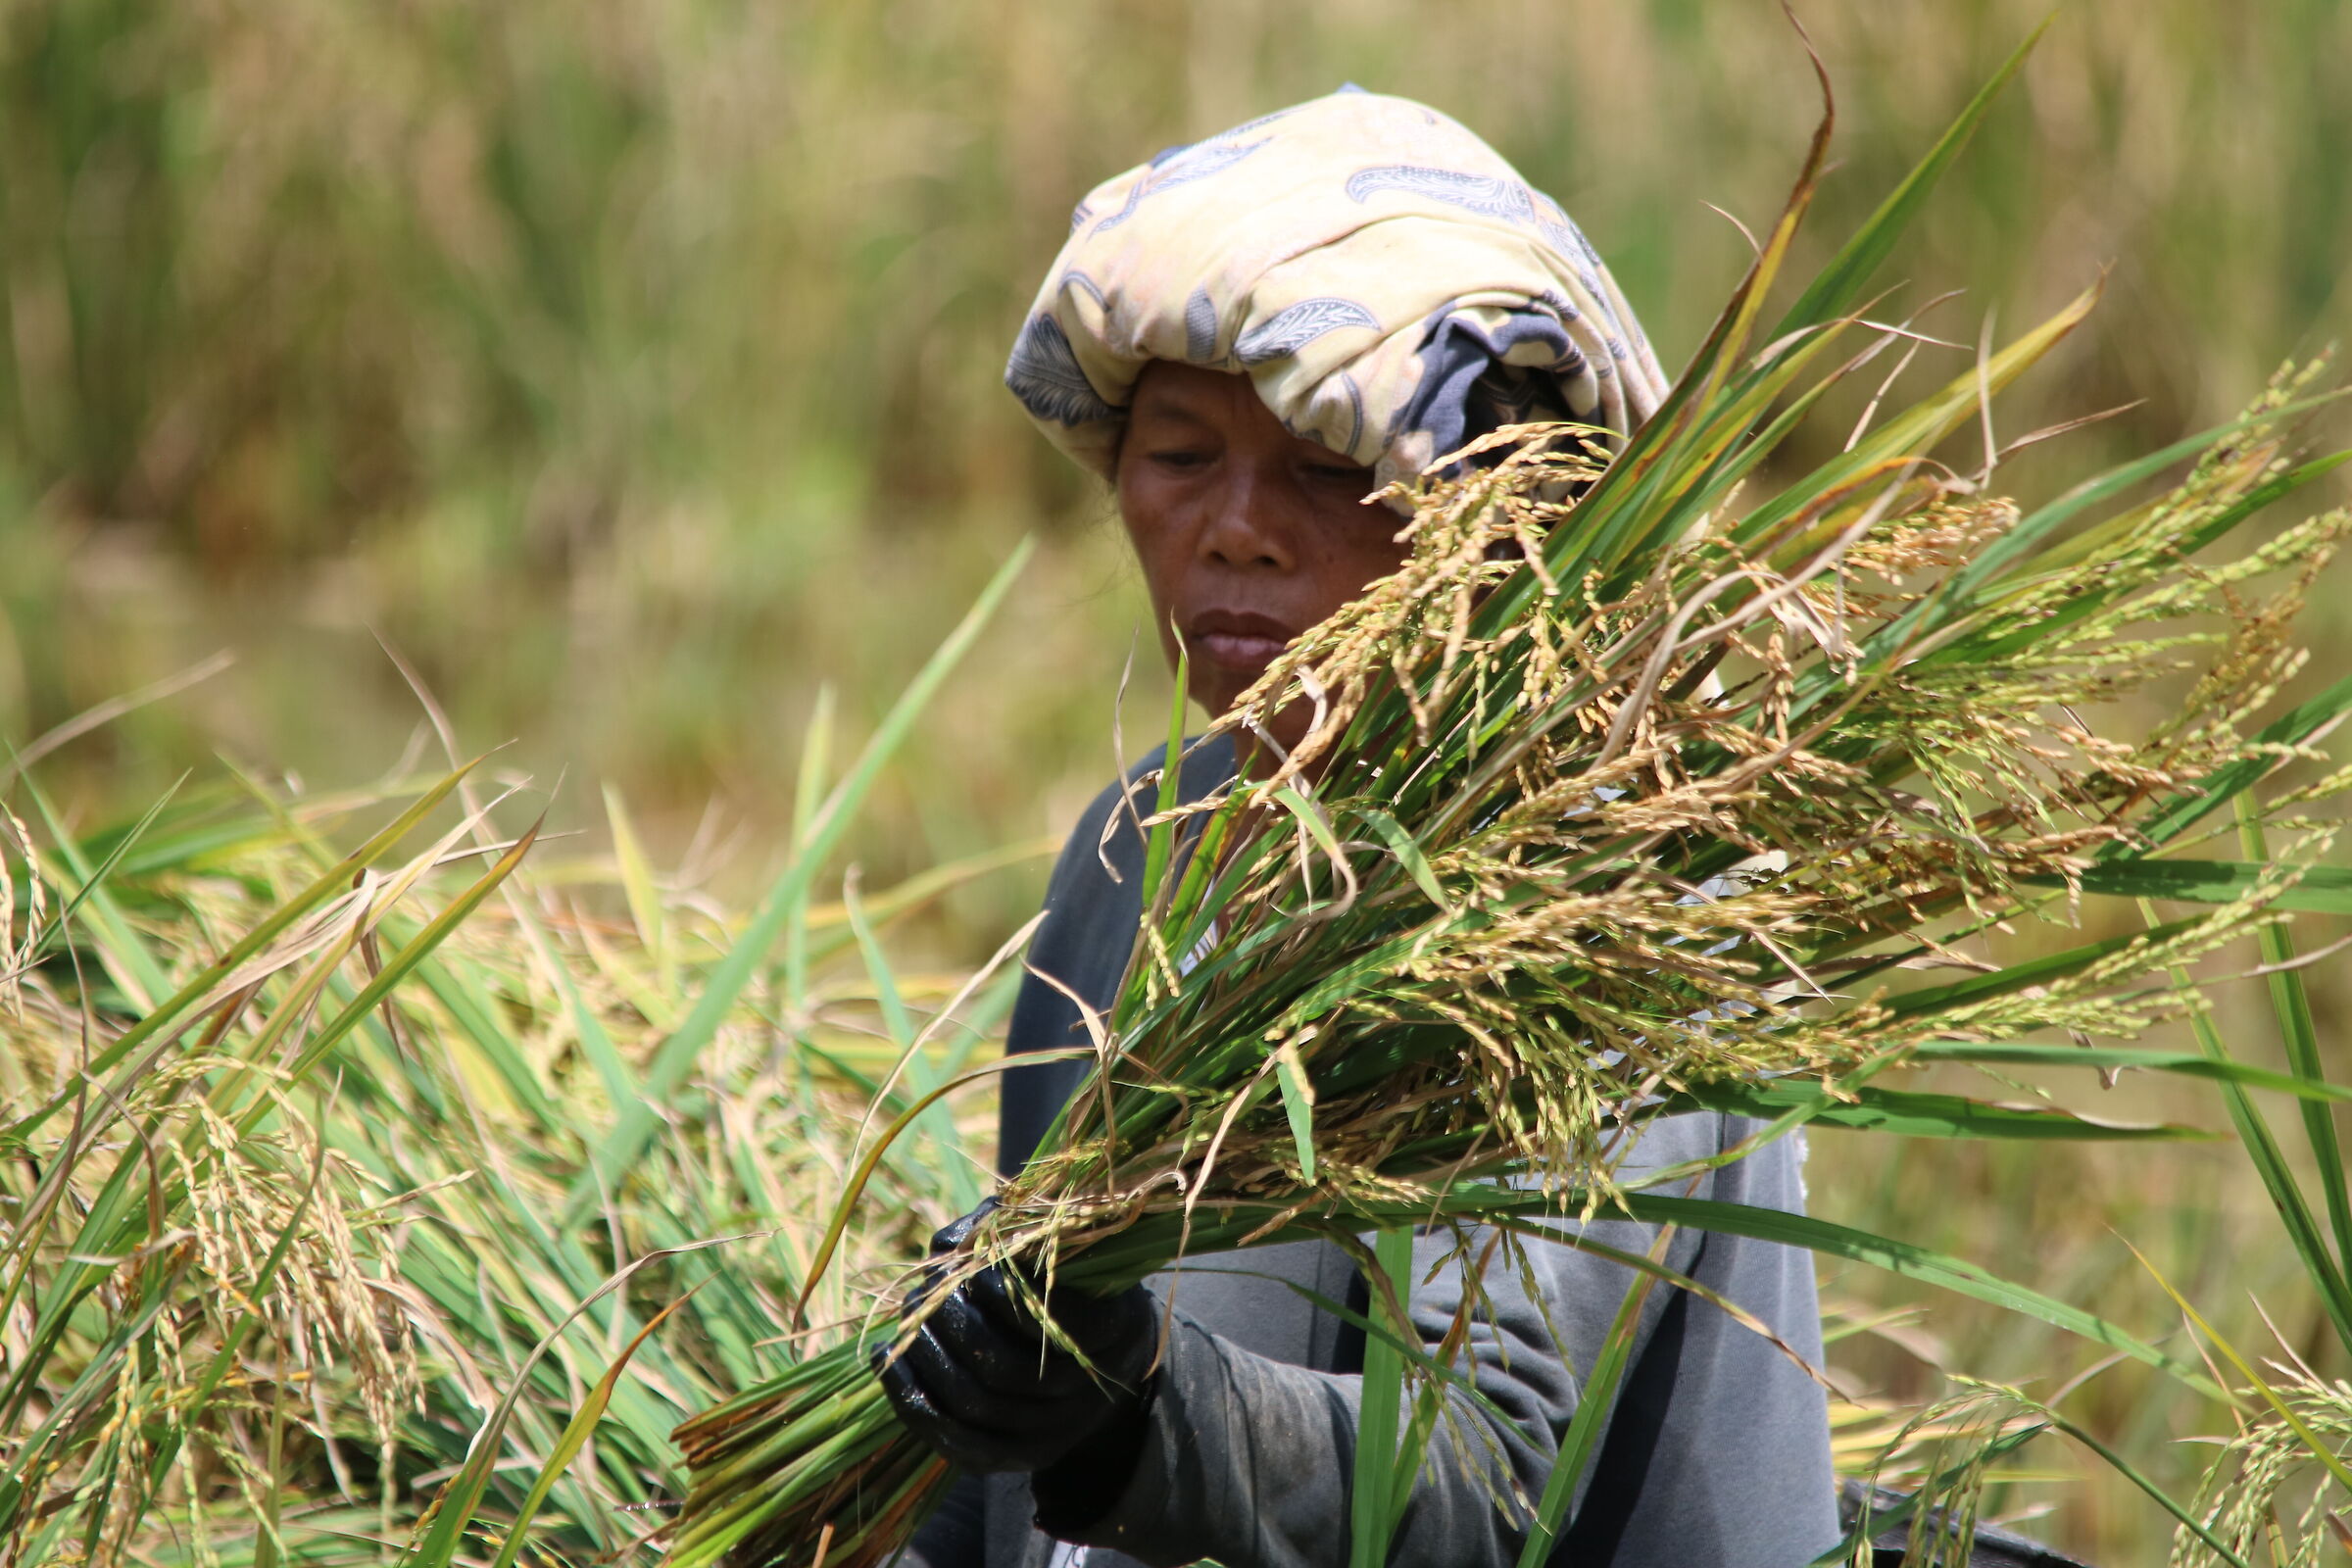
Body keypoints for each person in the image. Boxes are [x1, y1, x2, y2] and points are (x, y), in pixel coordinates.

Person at [877, 88, 1842, 1568]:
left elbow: (1487, 1465)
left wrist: (1130, 1404)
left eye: (1334, 472)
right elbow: (1007, 1462)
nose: (1237, 529)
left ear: (1508, 516)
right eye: (1181, 456)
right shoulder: (1142, 854)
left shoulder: (1599, 897)